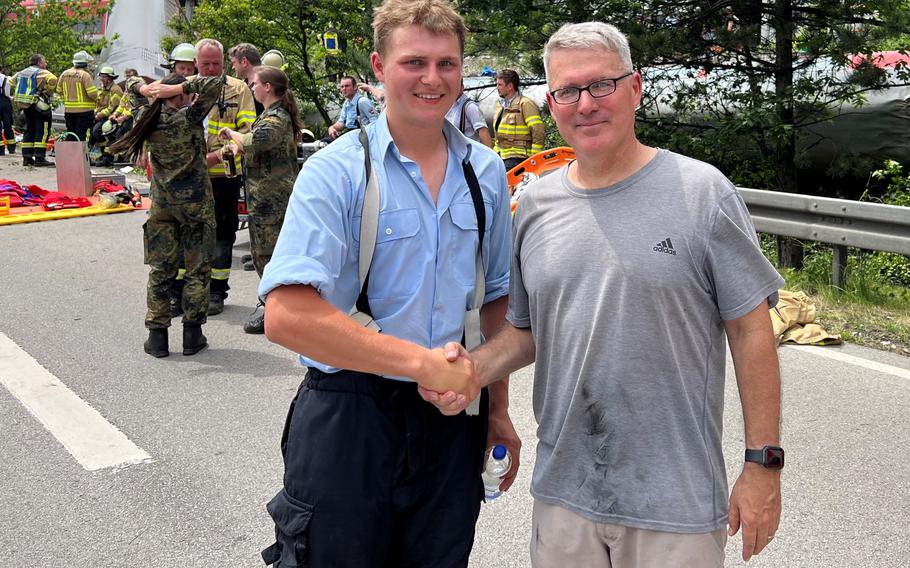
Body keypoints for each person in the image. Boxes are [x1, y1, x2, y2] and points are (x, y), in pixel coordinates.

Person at [430, 21, 786, 567]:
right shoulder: (537, 206)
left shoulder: (701, 192)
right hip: (564, 496)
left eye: (602, 85)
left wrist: (763, 465)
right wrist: (470, 370)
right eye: (567, 91)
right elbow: (526, 333)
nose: (585, 104)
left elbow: (750, 329)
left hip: (677, 503)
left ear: (636, 88)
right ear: (550, 104)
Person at [257, 0, 518, 566]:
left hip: (454, 418)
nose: (432, 79)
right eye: (414, 62)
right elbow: (287, 316)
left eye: (447, 64)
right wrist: (422, 365)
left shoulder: (486, 172)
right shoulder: (337, 170)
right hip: (351, 416)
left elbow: (493, 299)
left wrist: (497, 410)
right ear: (379, 66)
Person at [109, 73, 226, 358]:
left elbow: (130, 84)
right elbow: (216, 83)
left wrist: (146, 88)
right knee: (197, 271)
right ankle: (192, 335)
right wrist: (181, 86)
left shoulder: (147, 119)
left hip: (163, 206)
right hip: (195, 205)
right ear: (182, 96)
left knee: (161, 271)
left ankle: (157, 337)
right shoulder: (190, 117)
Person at [147, 39, 257, 316]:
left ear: (223, 62)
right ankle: (178, 293)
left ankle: (217, 292)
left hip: (223, 176)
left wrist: (232, 146)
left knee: (223, 233)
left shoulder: (238, 89)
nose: (210, 69)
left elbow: (248, 129)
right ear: (196, 63)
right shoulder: (181, 88)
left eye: (216, 64)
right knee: (184, 235)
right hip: (188, 179)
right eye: (205, 64)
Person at [218, 66, 301, 334]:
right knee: (264, 254)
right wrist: (234, 146)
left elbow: (256, 140)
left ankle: (275, 311)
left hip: (272, 202)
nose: (251, 87)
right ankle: (276, 307)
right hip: (263, 199)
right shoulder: (268, 115)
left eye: (254, 83)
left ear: (267, 87)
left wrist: (232, 135)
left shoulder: (277, 119)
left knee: (270, 257)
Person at [492, 68, 544, 171]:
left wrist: (534, 158)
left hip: (519, 157)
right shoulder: (500, 105)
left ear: (510, 86)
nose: (497, 88)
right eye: (497, 84)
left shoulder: (525, 104)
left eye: (500, 85)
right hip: (502, 155)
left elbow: (538, 130)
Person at [12, 54, 57, 167]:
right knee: (42, 130)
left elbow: (11, 81)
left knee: (29, 129)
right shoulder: (42, 72)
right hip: (38, 104)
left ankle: (27, 158)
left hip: (25, 105)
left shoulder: (22, 72)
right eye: (44, 62)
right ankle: (40, 158)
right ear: (39, 63)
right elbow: (53, 79)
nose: (45, 64)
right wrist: (47, 89)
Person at [57, 50, 99, 143]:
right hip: (85, 112)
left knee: (71, 134)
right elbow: (92, 93)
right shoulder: (85, 75)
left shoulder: (64, 74)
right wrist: (98, 98)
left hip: (69, 111)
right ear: (85, 63)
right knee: (82, 136)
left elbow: (59, 90)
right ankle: (81, 156)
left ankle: (70, 156)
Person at [326, 74, 378, 139]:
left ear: (355, 87)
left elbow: (376, 123)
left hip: (364, 137)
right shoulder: (346, 103)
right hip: (351, 135)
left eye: (347, 86)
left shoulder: (362, 101)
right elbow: (341, 123)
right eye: (342, 87)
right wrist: (332, 127)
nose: (344, 89)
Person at [89, 66, 123, 166]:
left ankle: (107, 158)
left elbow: (113, 106)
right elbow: (97, 103)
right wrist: (94, 112)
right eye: (101, 76)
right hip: (100, 116)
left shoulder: (115, 89)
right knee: (92, 134)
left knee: (99, 131)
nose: (101, 78)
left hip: (112, 117)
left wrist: (100, 114)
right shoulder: (101, 88)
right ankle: (101, 156)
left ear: (110, 78)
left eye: (104, 76)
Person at [446, 81, 492, 147]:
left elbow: (483, 131)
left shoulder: (470, 107)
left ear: (462, 87)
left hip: (469, 152)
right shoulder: (449, 105)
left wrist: (489, 155)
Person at [230, 43, 264, 115]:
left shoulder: (266, 84)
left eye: (234, 63)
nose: (233, 67)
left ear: (244, 62)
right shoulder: (243, 86)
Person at [0, 66, 15, 155]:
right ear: (1, 70)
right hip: (5, 103)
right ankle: (11, 148)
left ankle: (1, 150)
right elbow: (7, 94)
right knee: (8, 125)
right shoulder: (7, 79)